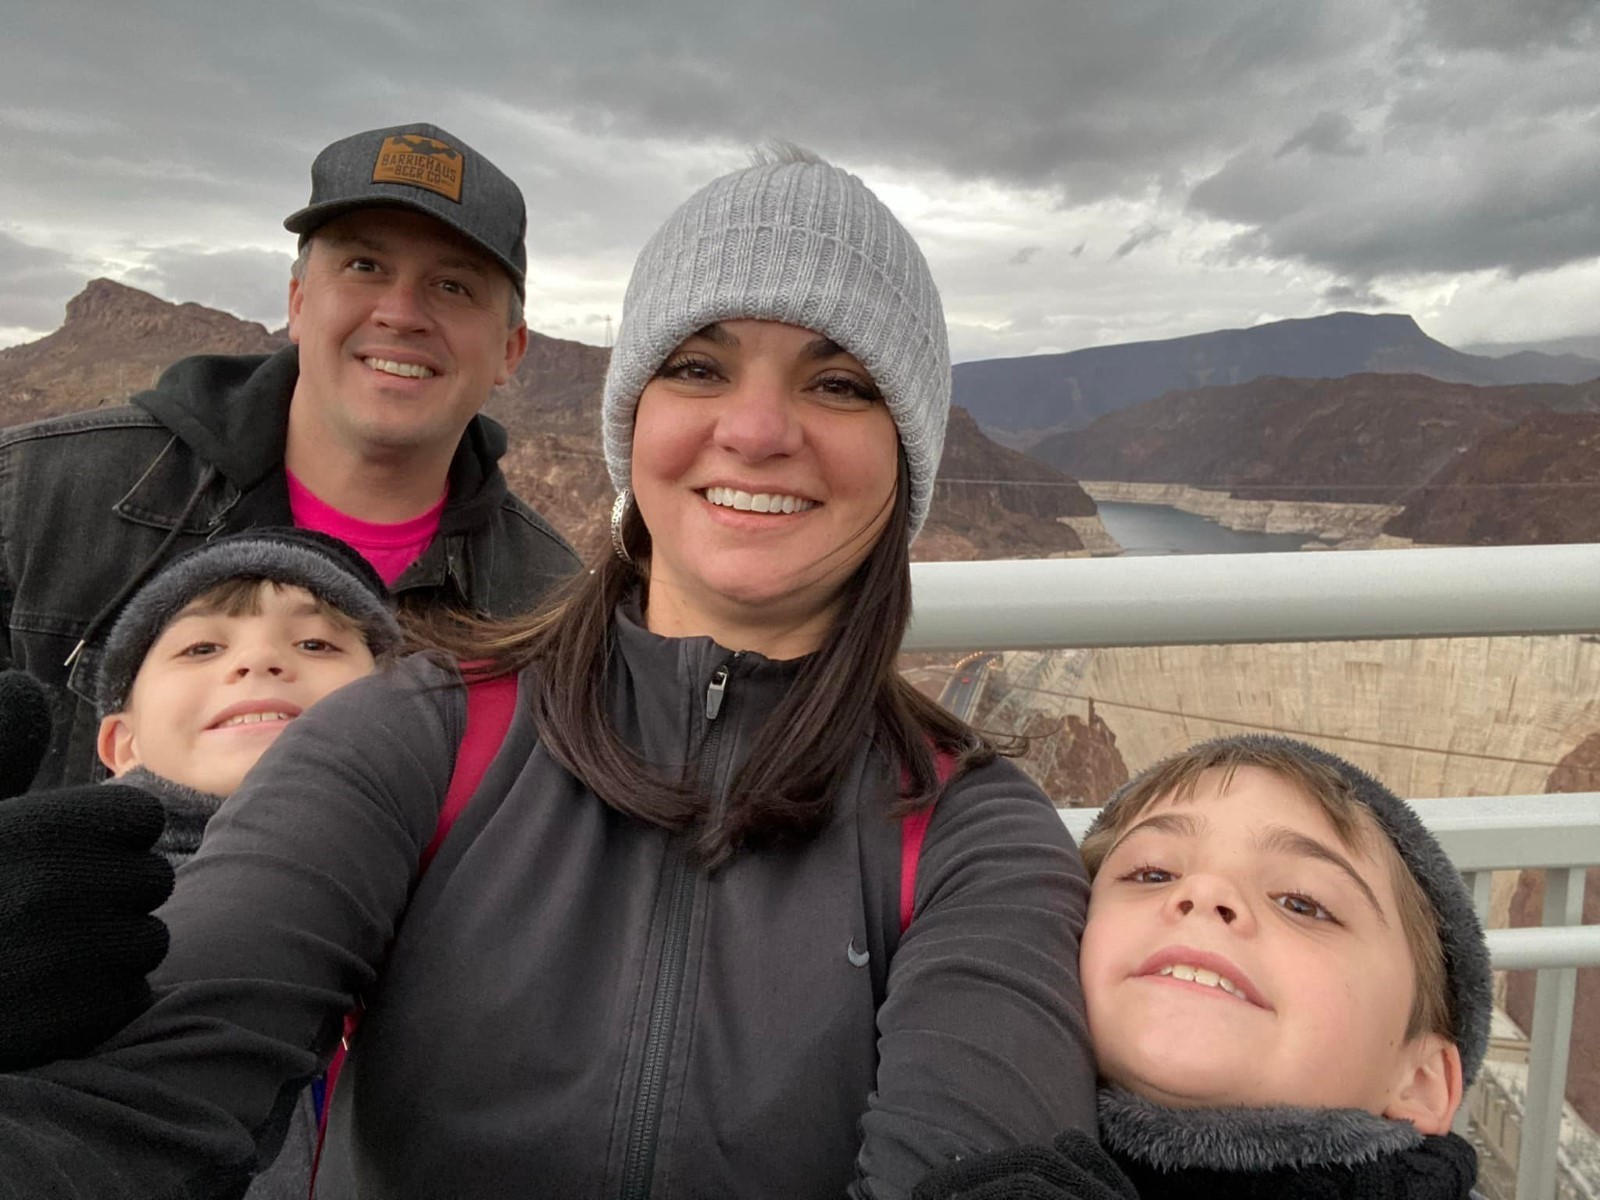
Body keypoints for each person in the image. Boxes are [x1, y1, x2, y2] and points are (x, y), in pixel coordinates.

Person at [0, 149, 1095, 1200]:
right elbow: (148, 1093)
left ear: (907, 456)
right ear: (635, 420)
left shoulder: (974, 835)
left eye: (842, 382)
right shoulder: (407, 739)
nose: (757, 429)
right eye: (698, 366)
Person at [0, 121, 578, 789]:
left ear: (510, 350)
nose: (400, 312)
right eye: (366, 266)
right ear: (299, 302)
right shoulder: (40, 496)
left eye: (454, 286)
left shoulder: (550, 603)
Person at [913, 734, 1492, 1200]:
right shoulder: (928, 1104)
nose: (1206, 892)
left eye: (1301, 903)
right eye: (1153, 874)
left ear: (1419, 1081)